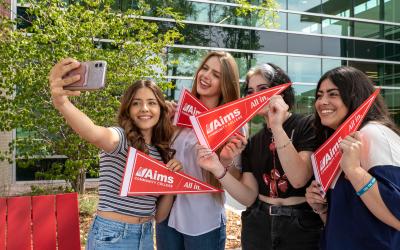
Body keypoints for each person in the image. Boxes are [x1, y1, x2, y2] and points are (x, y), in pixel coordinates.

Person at [49, 58, 182, 250]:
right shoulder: (121, 139)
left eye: (151, 103)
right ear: (128, 110)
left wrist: (173, 184)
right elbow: (92, 132)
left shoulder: (161, 151)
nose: (144, 108)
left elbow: (159, 216)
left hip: (145, 237)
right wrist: (62, 102)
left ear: (161, 110)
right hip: (113, 237)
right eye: (136, 103)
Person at [196, 63, 323, 250]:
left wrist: (277, 127)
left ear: (281, 90)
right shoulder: (254, 141)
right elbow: (248, 197)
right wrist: (218, 168)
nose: (255, 95)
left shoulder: (306, 125)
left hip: (300, 226)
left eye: (263, 89)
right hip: (258, 224)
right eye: (250, 91)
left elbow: (298, 179)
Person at [156, 51, 245, 250]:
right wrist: (162, 123)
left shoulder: (233, 125)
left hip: (203, 221)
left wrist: (224, 161)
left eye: (216, 74)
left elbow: (236, 179)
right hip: (167, 213)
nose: (205, 76)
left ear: (226, 84)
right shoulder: (178, 114)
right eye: (205, 68)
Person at [305, 66, 400, 249]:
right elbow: (347, 222)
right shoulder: (336, 144)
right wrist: (321, 207)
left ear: (355, 96)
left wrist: (354, 171)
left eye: (333, 94)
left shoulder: (373, 133)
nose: (322, 101)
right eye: (319, 95)